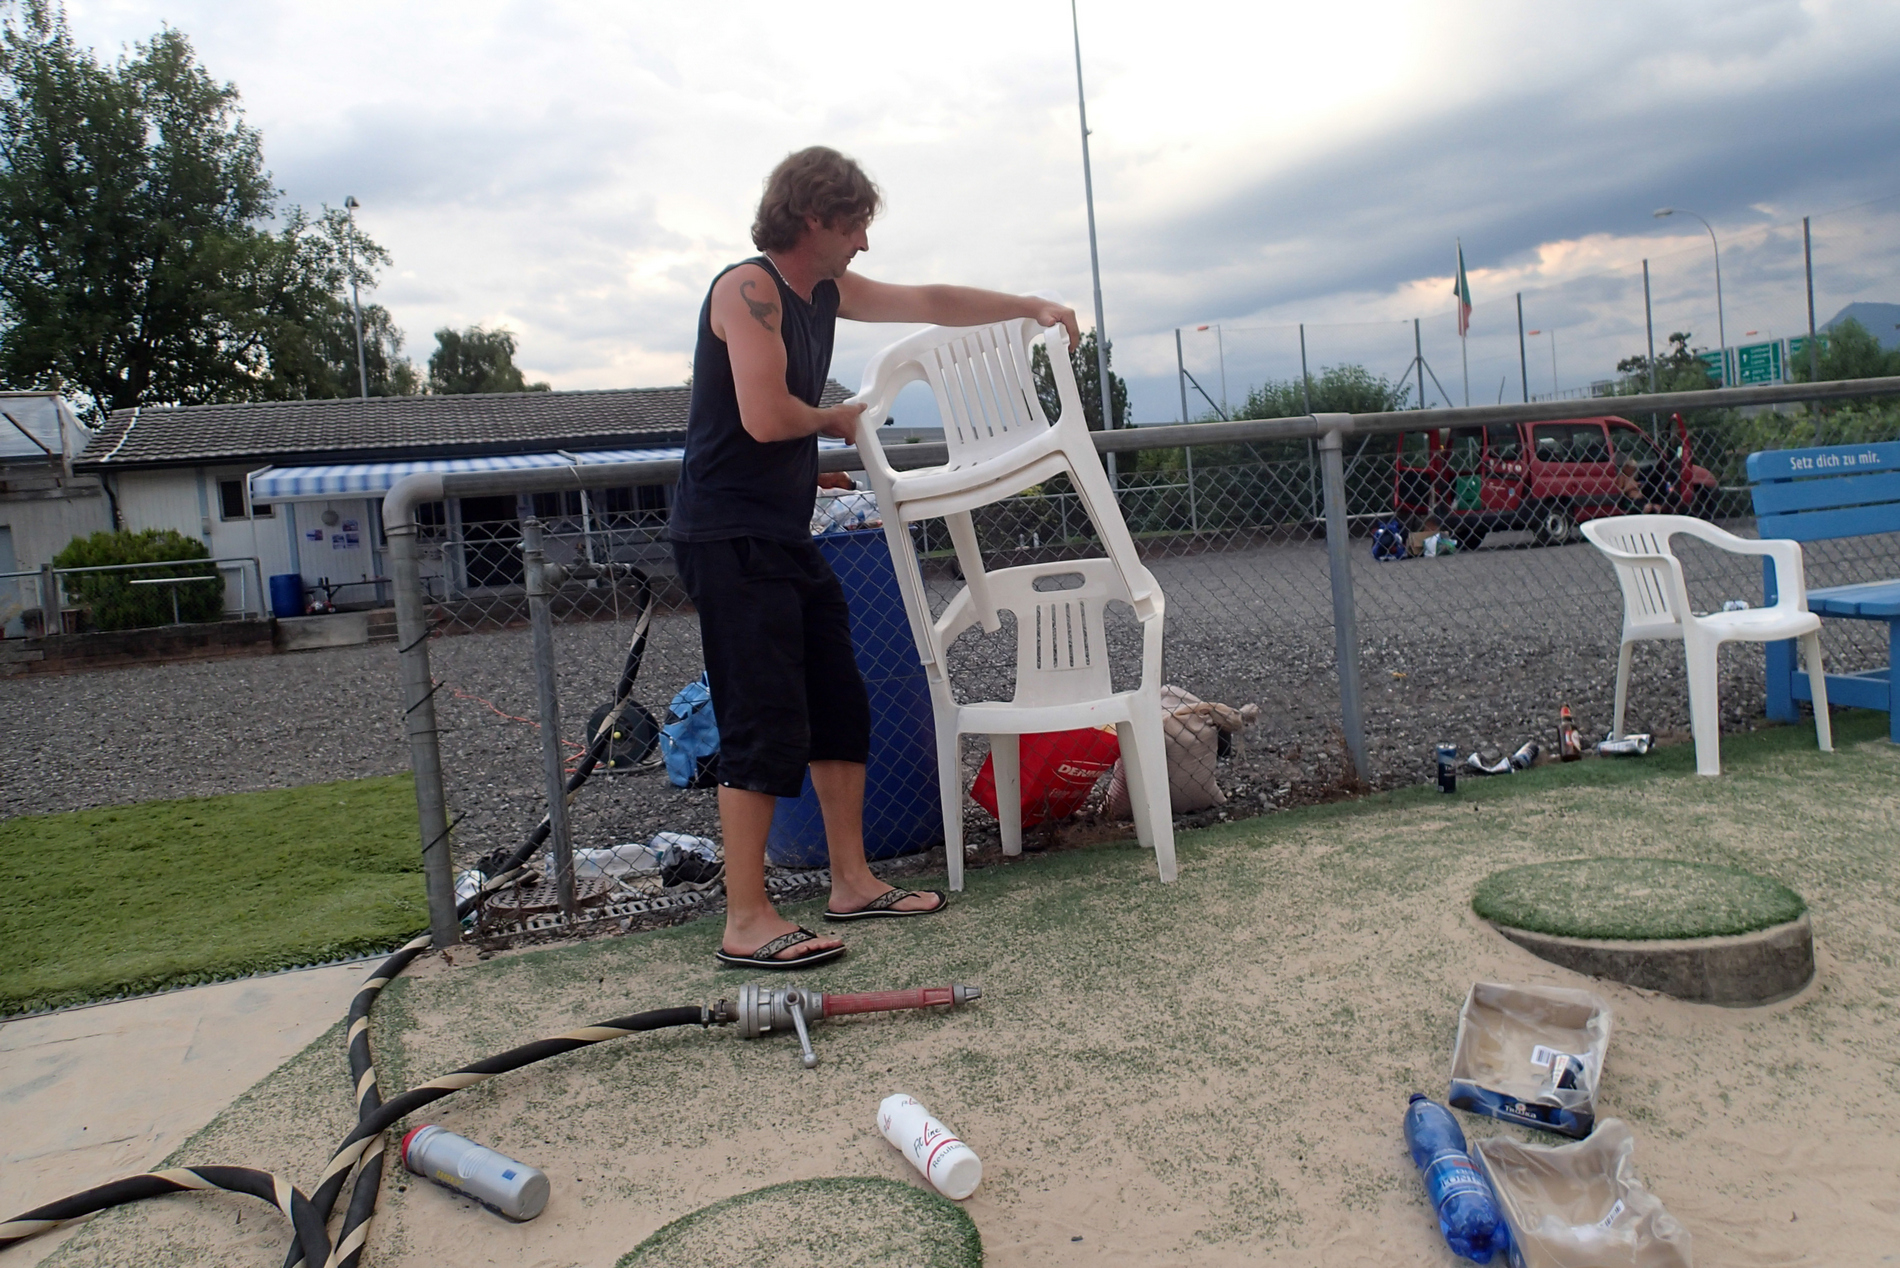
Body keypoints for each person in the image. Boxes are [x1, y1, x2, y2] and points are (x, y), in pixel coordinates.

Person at [670, 146, 1079, 969]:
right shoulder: (747, 289)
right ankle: (746, 919)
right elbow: (763, 416)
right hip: (728, 536)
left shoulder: (824, 290)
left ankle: (852, 882)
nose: (863, 242)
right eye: (855, 224)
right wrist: (835, 421)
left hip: (783, 531)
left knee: (838, 702)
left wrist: (1030, 307)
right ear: (814, 217)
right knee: (761, 719)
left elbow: (928, 300)